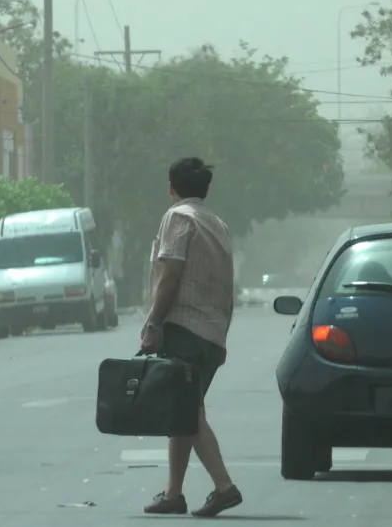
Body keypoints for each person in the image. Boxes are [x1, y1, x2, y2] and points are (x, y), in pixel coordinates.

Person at [139, 157, 243, 518]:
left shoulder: (178, 217)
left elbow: (170, 274)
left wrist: (153, 322)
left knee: (185, 410)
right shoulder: (218, 224)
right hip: (213, 334)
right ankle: (174, 494)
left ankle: (224, 486)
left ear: (172, 188)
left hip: (185, 329)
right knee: (183, 411)